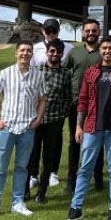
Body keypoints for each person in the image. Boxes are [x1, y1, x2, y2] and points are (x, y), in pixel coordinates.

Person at [67, 36, 111, 220]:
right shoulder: (91, 72)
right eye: (104, 48)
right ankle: (76, 207)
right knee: (85, 168)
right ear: (100, 50)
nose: (107, 51)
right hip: (92, 127)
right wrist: (79, 126)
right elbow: (82, 101)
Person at [0, 41, 46, 219]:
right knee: (0, 167)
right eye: (22, 50)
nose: (25, 54)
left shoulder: (38, 75)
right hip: (7, 127)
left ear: (32, 55)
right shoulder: (5, 73)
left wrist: (38, 119)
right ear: (16, 53)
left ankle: (18, 202)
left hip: (27, 127)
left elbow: (43, 99)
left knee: (22, 167)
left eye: (29, 51)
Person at [27, 19, 74, 192]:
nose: (51, 32)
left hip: (56, 112)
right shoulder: (36, 49)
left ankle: (51, 173)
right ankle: (32, 176)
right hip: (36, 112)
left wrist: (63, 111)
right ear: (43, 30)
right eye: (48, 29)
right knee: (33, 147)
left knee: (53, 145)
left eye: (54, 29)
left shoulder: (68, 48)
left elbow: (69, 92)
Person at [62, 18, 104, 194]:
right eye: (88, 31)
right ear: (82, 33)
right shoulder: (74, 53)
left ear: (99, 32)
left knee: (98, 142)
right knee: (75, 141)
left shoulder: (104, 52)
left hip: (99, 104)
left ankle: (98, 178)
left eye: (94, 30)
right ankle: (72, 181)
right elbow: (64, 73)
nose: (91, 33)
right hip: (76, 103)